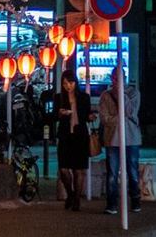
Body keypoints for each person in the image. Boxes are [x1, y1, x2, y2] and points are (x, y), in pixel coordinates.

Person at [98, 67, 142, 215]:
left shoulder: (133, 93)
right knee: (112, 172)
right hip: (112, 139)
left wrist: (121, 94)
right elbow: (105, 119)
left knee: (133, 171)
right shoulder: (105, 96)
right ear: (112, 79)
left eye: (120, 78)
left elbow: (130, 111)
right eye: (115, 78)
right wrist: (120, 119)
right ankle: (112, 203)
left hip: (131, 138)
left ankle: (135, 200)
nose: (118, 81)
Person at [53, 70, 93, 212]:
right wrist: (60, 113)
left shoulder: (84, 97)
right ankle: (70, 194)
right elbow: (53, 115)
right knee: (63, 168)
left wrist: (90, 116)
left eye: (70, 83)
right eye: (65, 83)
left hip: (80, 135)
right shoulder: (59, 98)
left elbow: (87, 114)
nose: (68, 86)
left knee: (78, 170)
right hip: (65, 135)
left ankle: (76, 198)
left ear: (75, 82)